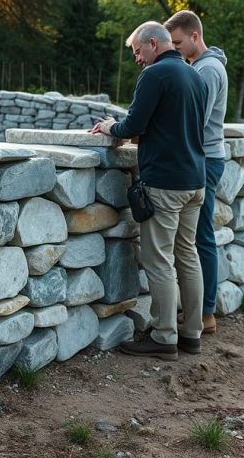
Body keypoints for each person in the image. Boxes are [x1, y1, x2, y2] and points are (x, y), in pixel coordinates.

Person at [89, 21, 207, 361]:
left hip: (166, 182)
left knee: (158, 261)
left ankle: (164, 336)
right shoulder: (193, 75)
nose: (138, 59)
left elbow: (134, 125)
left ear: (153, 43)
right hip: (194, 180)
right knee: (188, 256)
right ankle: (191, 334)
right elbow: (176, 126)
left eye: (139, 52)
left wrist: (111, 126)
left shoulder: (155, 76)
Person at [164, 10, 228, 335]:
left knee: (201, 237)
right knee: (195, 238)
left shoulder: (207, 71)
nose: (173, 49)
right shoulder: (199, 67)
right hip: (202, 159)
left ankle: (205, 313)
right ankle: (198, 311)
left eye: (177, 43)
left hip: (205, 161)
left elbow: (194, 122)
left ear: (194, 36)